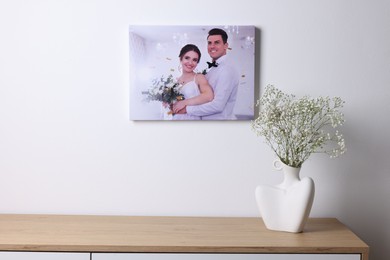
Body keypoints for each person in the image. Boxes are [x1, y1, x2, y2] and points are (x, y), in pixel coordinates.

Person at [173, 28, 239, 120]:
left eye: (217, 42)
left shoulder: (226, 70)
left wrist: (186, 109)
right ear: (180, 59)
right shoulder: (211, 70)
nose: (212, 46)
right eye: (209, 43)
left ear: (226, 45)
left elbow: (217, 105)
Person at [172, 44, 214, 120]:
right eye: (187, 58)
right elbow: (176, 102)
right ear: (180, 59)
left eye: (194, 60)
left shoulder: (199, 77)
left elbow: (209, 96)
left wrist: (184, 102)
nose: (190, 63)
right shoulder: (175, 81)